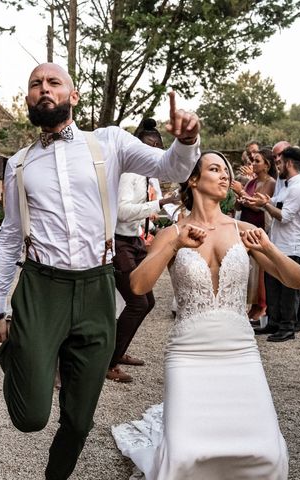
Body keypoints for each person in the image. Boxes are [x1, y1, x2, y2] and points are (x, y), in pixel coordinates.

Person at [0, 62, 200, 480]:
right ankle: (19, 352)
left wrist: (187, 140)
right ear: (28, 98)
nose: (44, 89)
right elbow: (11, 234)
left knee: (80, 419)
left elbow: (171, 168)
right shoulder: (19, 164)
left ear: (73, 95)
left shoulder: (110, 143)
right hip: (41, 285)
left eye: (53, 82)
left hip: (96, 285)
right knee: (29, 417)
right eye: (35, 84)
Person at [112, 151, 300, 479]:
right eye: (215, 169)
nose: (225, 176)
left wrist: (268, 247)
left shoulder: (244, 230)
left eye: (227, 171)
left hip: (240, 352)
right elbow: (137, 283)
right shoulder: (171, 234)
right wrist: (175, 247)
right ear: (193, 179)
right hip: (188, 354)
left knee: (268, 455)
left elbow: (296, 281)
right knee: (185, 456)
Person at [106, 118, 180, 383]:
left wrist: (171, 213)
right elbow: (123, 211)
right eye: (151, 146)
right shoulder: (129, 174)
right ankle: (108, 361)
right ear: (138, 146)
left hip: (135, 241)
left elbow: (154, 208)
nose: (155, 152)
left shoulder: (149, 175)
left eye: (158, 147)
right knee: (137, 302)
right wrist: (160, 203)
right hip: (119, 242)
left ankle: (117, 351)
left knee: (147, 302)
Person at [246, 147, 300, 342]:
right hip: (278, 244)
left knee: (287, 291)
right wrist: (259, 200)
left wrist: (265, 205)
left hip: (292, 246)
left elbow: (284, 216)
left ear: (289, 164)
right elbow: (274, 201)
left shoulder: (299, 187)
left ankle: (288, 327)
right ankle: (274, 322)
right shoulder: (287, 185)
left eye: (280, 163)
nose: (278, 166)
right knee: (273, 286)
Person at [232, 148, 277, 322]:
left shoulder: (271, 183)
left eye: (257, 161)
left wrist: (241, 192)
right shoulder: (251, 182)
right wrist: (239, 198)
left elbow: (260, 206)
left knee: (260, 269)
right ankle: (252, 305)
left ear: (267, 165)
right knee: (248, 269)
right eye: (253, 161)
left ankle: (262, 306)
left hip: (259, 228)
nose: (253, 164)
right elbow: (238, 207)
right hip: (245, 228)